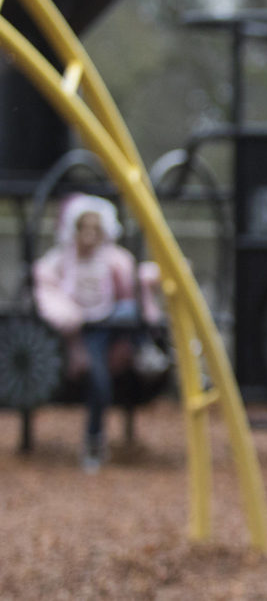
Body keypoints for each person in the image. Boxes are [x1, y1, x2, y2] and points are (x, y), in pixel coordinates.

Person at [33, 193, 161, 472]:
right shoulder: (63, 261)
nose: (90, 235)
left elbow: (135, 278)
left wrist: (158, 275)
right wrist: (67, 314)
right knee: (99, 384)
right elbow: (46, 286)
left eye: (95, 229)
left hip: (109, 323)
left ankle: (145, 351)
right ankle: (93, 441)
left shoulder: (111, 259)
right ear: (73, 231)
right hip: (85, 333)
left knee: (129, 309)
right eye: (84, 229)